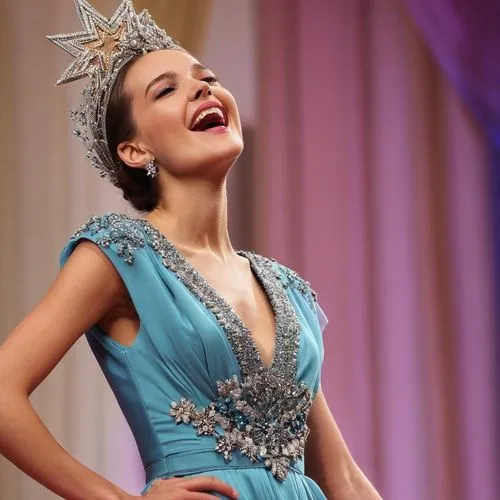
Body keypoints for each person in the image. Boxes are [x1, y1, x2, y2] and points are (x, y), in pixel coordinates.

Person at [0, 1, 382, 499]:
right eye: (167, 89)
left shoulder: (287, 288)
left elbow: (341, 476)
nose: (204, 87)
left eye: (208, 77)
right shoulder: (120, 254)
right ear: (135, 151)